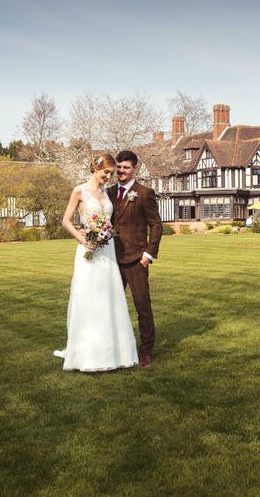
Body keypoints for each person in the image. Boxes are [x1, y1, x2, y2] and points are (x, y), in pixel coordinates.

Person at [56, 153, 138, 372]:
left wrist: (106, 233)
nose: (109, 177)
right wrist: (82, 238)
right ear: (95, 169)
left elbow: (108, 220)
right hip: (89, 250)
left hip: (107, 251)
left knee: (110, 298)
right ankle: (89, 355)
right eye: (106, 173)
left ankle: (114, 352)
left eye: (111, 174)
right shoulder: (79, 191)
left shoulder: (106, 193)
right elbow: (65, 220)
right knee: (89, 298)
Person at [108, 150, 163, 369]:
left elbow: (156, 225)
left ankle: (146, 352)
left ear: (135, 169)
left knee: (142, 307)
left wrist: (148, 254)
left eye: (126, 167)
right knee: (111, 306)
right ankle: (114, 348)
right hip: (112, 258)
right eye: (119, 167)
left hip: (137, 259)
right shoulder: (109, 192)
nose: (121, 171)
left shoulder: (144, 193)